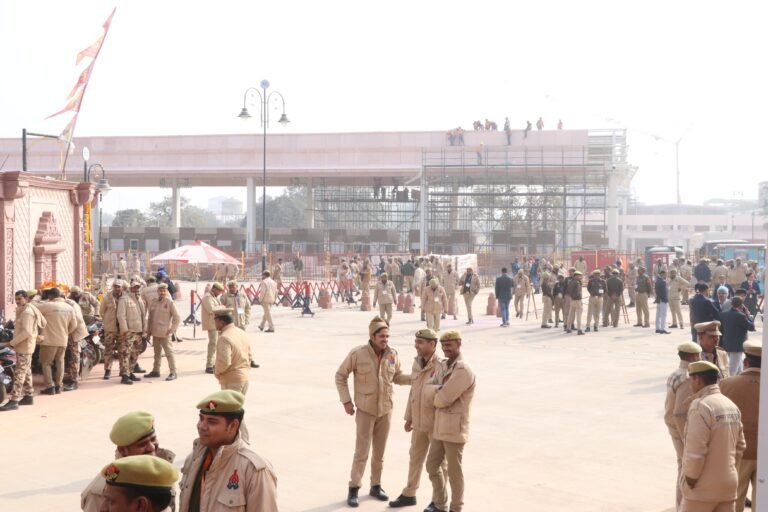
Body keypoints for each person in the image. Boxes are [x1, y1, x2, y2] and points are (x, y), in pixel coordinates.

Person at [334, 316, 410, 507]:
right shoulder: (358, 354)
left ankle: (376, 486)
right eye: (382, 336)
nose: (385, 339)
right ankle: (354, 488)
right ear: (372, 336)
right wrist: (346, 402)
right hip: (365, 411)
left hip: (385, 410)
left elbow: (397, 376)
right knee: (362, 452)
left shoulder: (392, 354)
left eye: (387, 336)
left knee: (379, 452)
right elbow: (340, 375)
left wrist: (416, 378)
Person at [178, 390, 278, 512]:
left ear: (233, 426)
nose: (202, 426)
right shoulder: (194, 458)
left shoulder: (253, 470)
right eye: (201, 418)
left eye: (211, 422)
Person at [680, 361, 745, 512]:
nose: (690, 383)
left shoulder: (700, 406)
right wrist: (729, 472)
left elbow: (696, 453)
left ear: (698, 380)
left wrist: (689, 479)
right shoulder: (730, 405)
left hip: (702, 489)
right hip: (728, 486)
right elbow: (740, 446)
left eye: (691, 379)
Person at [389, 328, 443, 508]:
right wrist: (409, 417)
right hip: (419, 421)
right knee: (415, 458)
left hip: (436, 423)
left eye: (420, 343)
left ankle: (438, 501)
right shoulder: (417, 363)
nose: (416, 346)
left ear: (432, 344)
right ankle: (409, 493)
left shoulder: (442, 365)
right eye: (416, 342)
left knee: (438, 465)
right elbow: (415, 390)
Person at [81, 411, 177, 512]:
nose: (151, 447)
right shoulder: (101, 488)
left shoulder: (161, 471)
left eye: (153, 439)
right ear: (123, 450)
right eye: (142, 444)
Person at [425, 330, 476, 512]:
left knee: (455, 473)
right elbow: (426, 388)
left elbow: (442, 399)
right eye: (443, 345)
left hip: (455, 429)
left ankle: (456, 507)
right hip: (440, 427)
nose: (446, 349)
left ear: (458, 344)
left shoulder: (463, 370)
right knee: (432, 466)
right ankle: (440, 503)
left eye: (449, 345)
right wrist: (439, 390)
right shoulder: (445, 366)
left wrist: (437, 392)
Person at [720, 341, 761, 512]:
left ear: (745, 362)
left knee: (735, 498)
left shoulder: (726, 384)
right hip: (764, 453)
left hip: (738, 452)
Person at [663, 341, 702, 509]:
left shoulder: (676, 373)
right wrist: (688, 439)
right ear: (693, 356)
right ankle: (681, 506)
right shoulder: (687, 377)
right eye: (698, 355)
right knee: (685, 469)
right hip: (681, 430)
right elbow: (680, 413)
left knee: (682, 466)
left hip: (673, 426)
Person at [0, 291, 45, 411]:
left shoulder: (27, 312)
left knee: (19, 373)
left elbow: (27, 332)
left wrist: (11, 343)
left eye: (20, 299)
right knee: (26, 371)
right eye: (16, 299)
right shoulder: (24, 309)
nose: (17, 301)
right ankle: (29, 396)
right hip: (24, 346)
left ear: (26, 298)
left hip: (25, 346)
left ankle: (14, 400)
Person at [35, 287, 78, 395]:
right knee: (60, 362)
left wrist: (38, 295)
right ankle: (59, 385)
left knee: (46, 363)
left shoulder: (48, 306)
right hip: (63, 339)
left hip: (49, 340)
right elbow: (74, 325)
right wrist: (66, 332)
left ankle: (50, 387)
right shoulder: (69, 308)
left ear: (50, 296)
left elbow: (32, 305)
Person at [144, 284, 180, 381]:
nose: (162, 293)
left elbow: (177, 318)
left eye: (164, 291)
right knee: (157, 353)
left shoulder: (169, 303)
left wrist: (172, 330)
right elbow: (150, 318)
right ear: (157, 291)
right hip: (155, 332)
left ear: (166, 291)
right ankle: (156, 370)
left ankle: (173, 372)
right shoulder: (154, 302)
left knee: (169, 353)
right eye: (160, 291)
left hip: (165, 333)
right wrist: (148, 332)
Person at [213, 308, 252, 394]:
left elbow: (224, 362)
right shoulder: (241, 332)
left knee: (229, 407)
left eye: (215, 321)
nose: (214, 324)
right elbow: (249, 356)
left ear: (222, 322)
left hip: (231, 381)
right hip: (244, 378)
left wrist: (217, 372)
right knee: (238, 407)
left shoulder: (224, 337)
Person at [118, 281, 147, 385]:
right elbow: (121, 316)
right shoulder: (124, 299)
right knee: (125, 353)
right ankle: (124, 375)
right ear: (130, 289)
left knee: (135, 353)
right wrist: (124, 330)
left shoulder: (140, 300)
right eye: (134, 288)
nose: (136, 290)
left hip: (138, 332)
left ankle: (130, 372)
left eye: (138, 288)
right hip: (129, 332)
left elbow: (143, 316)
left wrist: (144, 330)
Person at [720, 296, 755, 377]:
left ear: (732, 304)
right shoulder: (741, 316)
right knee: (733, 368)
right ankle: (727, 383)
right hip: (738, 344)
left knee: (738, 366)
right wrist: (748, 315)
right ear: (741, 305)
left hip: (727, 342)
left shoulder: (723, 314)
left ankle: (740, 379)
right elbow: (751, 327)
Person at [62, 289, 90, 390]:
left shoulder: (70, 305)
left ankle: (74, 381)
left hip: (75, 334)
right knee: (70, 355)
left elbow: (75, 321)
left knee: (74, 356)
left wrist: (67, 332)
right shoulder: (69, 303)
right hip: (74, 333)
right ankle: (70, 376)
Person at [201, 282, 224, 374]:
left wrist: (220, 306)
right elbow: (212, 309)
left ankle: (214, 363)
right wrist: (221, 307)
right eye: (219, 291)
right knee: (213, 344)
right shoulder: (207, 297)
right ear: (214, 289)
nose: (219, 293)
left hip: (216, 323)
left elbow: (219, 307)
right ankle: (209, 365)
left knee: (216, 344)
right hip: (212, 324)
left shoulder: (214, 297)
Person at [654, 269, 670, 334]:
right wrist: (665, 299)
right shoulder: (663, 281)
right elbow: (663, 292)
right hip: (663, 299)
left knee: (658, 315)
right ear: (663, 274)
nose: (666, 275)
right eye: (665, 274)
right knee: (663, 314)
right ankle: (662, 328)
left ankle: (657, 328)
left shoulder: (657, 281)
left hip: (658, 299)